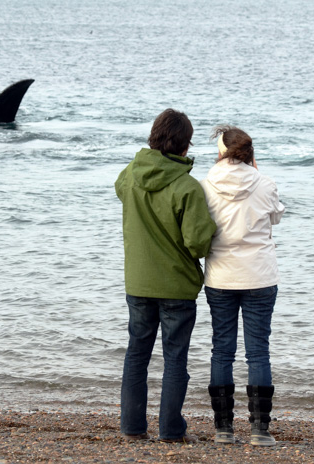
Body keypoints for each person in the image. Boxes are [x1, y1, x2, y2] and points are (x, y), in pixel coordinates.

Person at [115, 108, 217, 443]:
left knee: (136, 355)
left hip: (139, 281)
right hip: (176, 286)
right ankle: (171, 431)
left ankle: (132, 427)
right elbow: (199, 242)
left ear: (153, 136)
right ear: (185, 146)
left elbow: (120, 189)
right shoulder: (187, 187)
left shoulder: (130, 174)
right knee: (175, 360)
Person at [200, 125, 285, 446]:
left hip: (220, 276)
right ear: (250, 153)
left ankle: (223, 429)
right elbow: (275, 218)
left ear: (220, 152)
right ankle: (260, 431)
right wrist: (257, 174)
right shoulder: (266, 183)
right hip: (260, 276)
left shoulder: (206, 185)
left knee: (222, 350)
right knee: (258, 353)